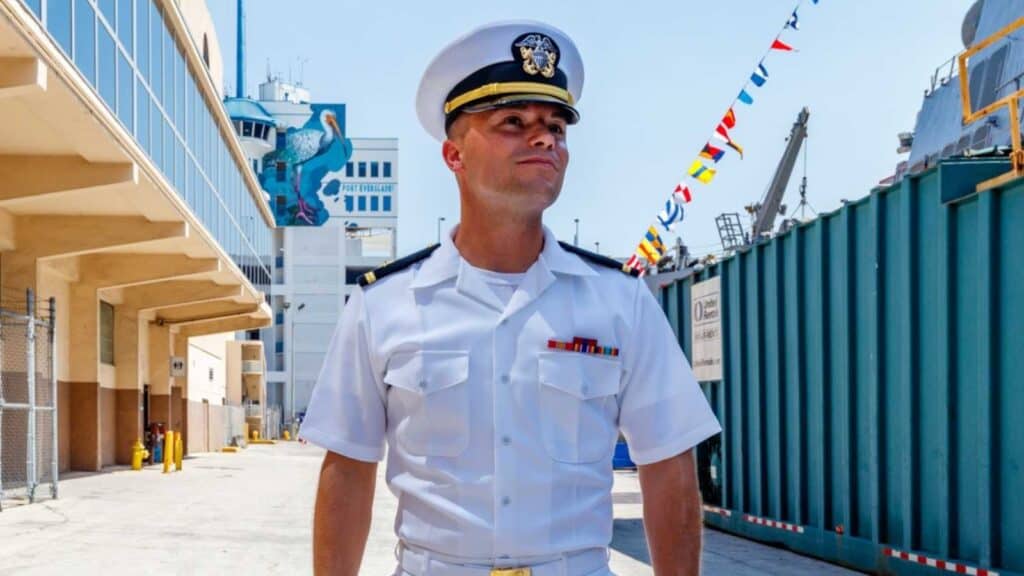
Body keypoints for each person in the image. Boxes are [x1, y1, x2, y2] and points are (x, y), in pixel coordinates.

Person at [300, 20, 722, 576]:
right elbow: (349, 467)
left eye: (555, 126)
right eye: (513, 122)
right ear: (455, 156)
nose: (544, 138)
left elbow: (668, 463)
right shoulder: (384, 306)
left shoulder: (621, 301)